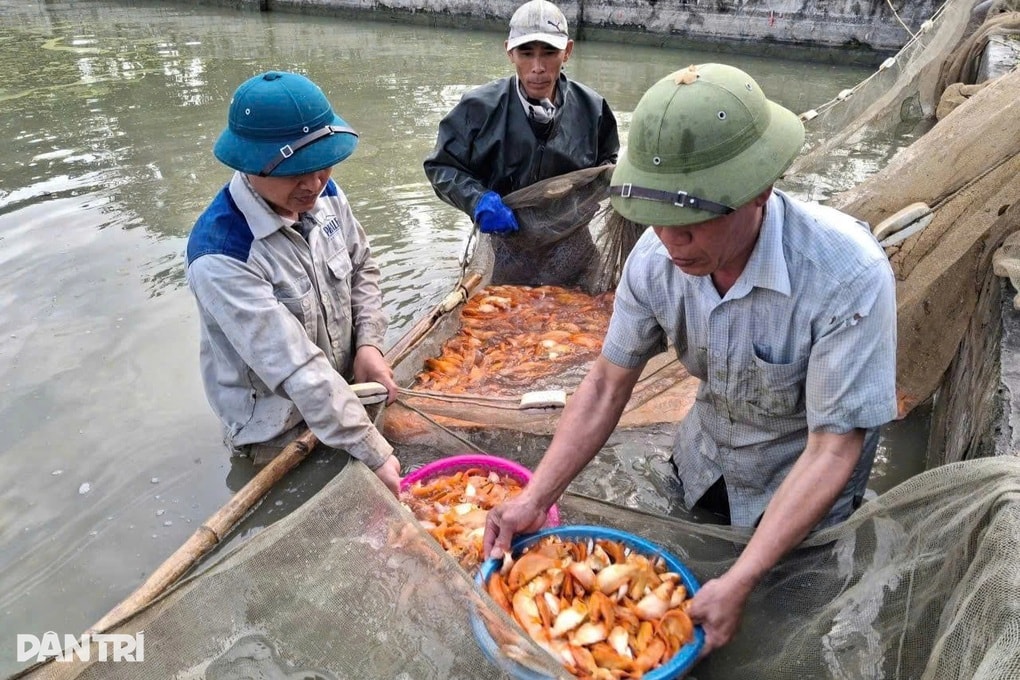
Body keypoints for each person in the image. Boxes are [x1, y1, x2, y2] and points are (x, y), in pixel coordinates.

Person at [483, 64, 897, 655]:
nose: (674, 244)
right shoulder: (655, 260)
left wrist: (745, 577)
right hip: (706, 461)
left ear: (759, 191)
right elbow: (605, 386)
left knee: (783, 623)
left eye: (695, 223)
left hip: (803, 489)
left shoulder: (846, 276)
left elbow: (834, 446)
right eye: (661, 221)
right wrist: (535, 497)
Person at [186, 71, 401, 494]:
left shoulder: (325, 193)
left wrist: (369, 344)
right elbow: (297, 368)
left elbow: (362, 268)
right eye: (294, 172)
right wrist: (375, 450)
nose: (312, 184)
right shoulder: (222, 254)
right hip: (277, 429)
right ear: (248, 165)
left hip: (344, 390)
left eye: (321, 165)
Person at [423, 0, 620, 288]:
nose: (537, 68)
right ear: (509, 52)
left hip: (571, 243)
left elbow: (608, 165)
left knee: (583, 315)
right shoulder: (478, 108)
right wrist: (477, 200)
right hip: (505, 245)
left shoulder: (593, 108)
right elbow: (442, 166)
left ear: (567, 51)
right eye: (526, 53)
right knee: (500, 319)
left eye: (549, 53)